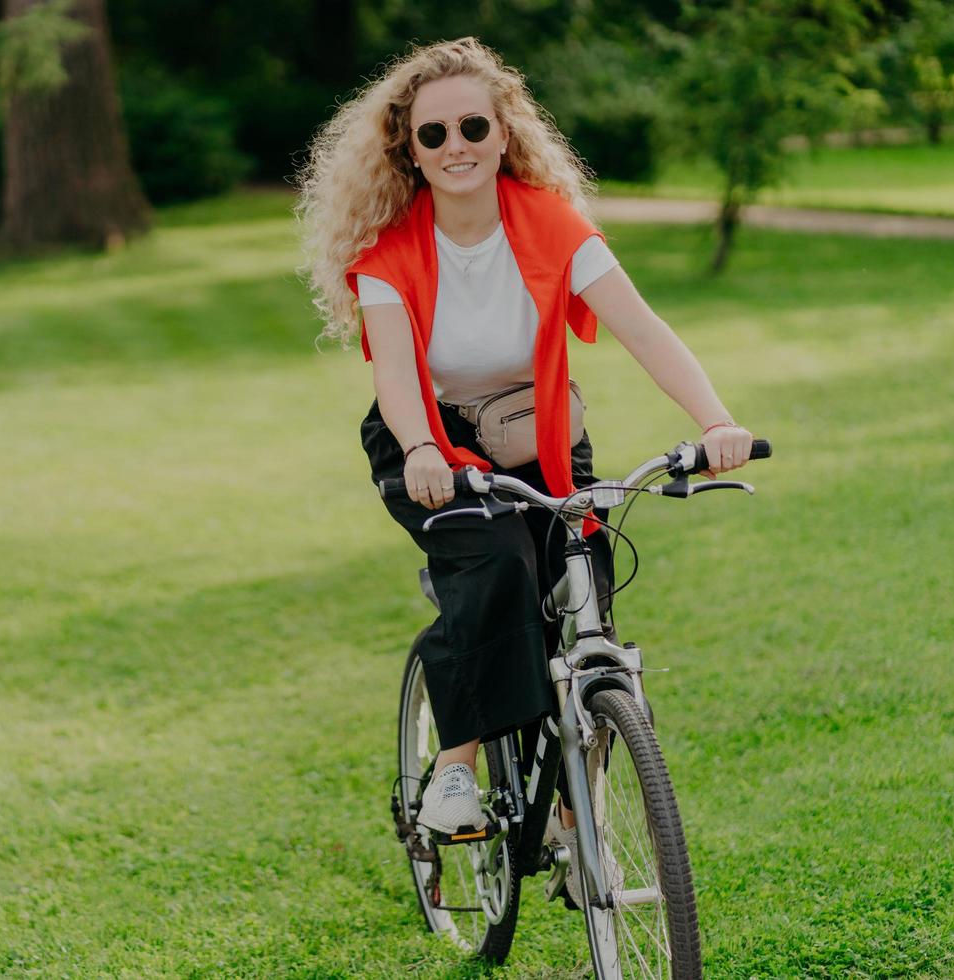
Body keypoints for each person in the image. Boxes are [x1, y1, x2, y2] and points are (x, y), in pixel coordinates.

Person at [293, 38, 755, 846]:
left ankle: (580, 814)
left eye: (473, 125)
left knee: (585, 577)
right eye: (433, 134)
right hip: (429, 441)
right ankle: (456, 767)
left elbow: (643, 330)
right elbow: (397, 380)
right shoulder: (390, 254)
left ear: (505, 133)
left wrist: (715, 421)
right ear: (409, 149)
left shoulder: (551, 227)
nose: (456, 146)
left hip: (537, 429)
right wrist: (422, 450)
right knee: (499, 561)